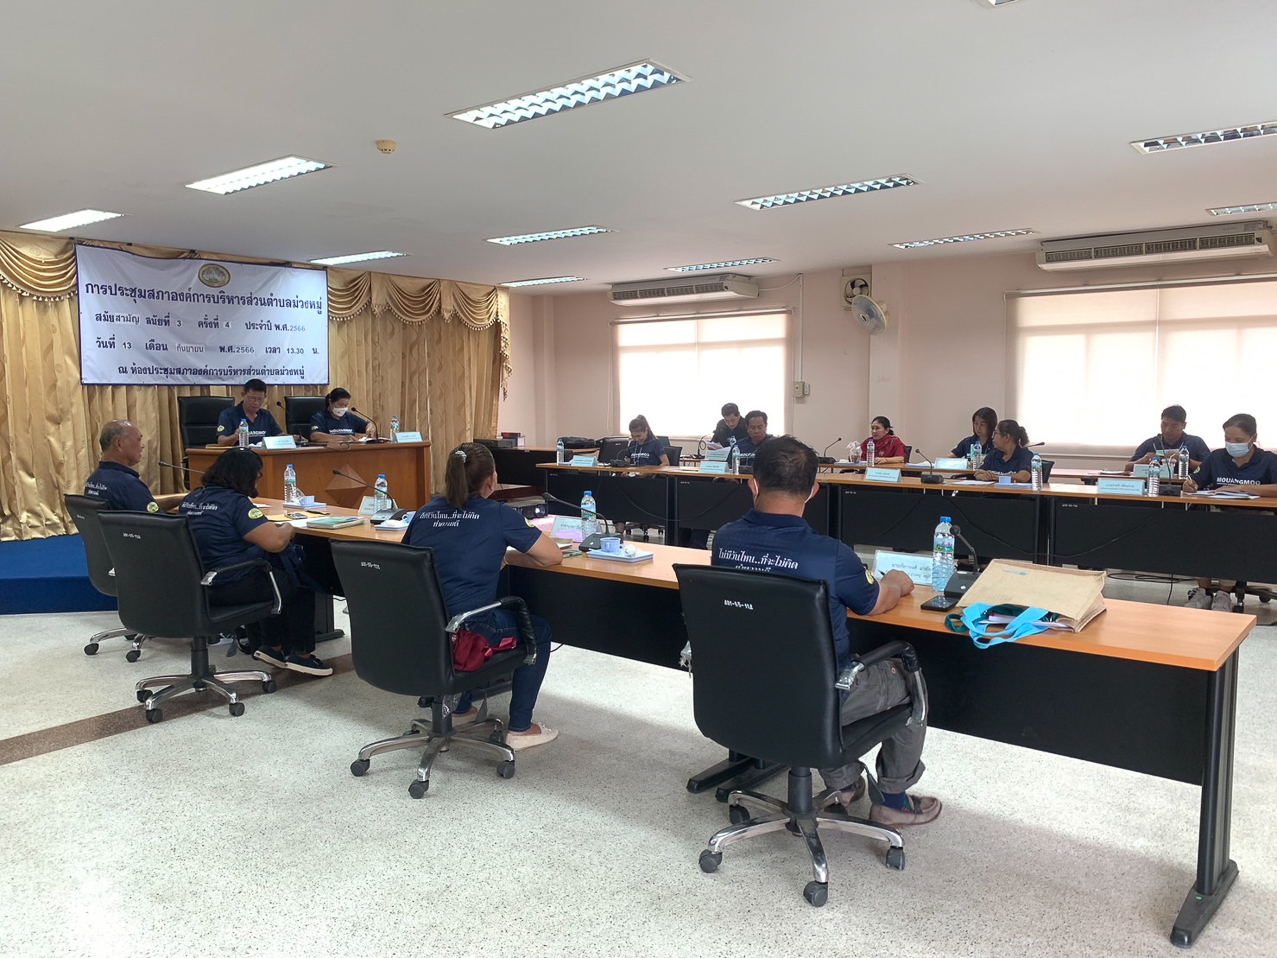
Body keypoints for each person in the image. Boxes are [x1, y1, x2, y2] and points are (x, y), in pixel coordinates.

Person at [711, 435, 940, 826]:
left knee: (809, 680)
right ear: (813, 491)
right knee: (907, 680)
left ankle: (845, 783)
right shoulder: (830, 556)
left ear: (753, 484)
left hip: (743, 687)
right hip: (817, 697)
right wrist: (898, 582)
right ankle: (893, 800)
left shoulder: (724, 540)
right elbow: (875, 602)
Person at [402, 442, 563, 750]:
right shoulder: (498, 514)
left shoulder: (424, 513)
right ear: (492, 480)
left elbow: (411, 559)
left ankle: (460, 708)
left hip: (423, 627)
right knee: (539, 630)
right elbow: (552, 556)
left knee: (458, 611)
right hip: (467, 630)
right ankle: (521, 727)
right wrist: (507, 556)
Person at [179, 448, 331, 676]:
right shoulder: (236, 503)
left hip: (198, 586)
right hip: (228, 585)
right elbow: (275, 542)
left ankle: (272, 647)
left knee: (272, 573)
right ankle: (302, 656)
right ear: (246, 476)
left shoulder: (191, 499)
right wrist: (288, 527)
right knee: (299, 584)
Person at [1181, 414, 1277, 611]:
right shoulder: (1217, 458)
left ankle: (1224, 594)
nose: (1232, 444)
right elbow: (1194, 480)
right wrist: (1190, 485)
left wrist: (1242, 488)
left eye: (1238, 440)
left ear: (1253, 438)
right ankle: (1204, 592)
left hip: (1258, 518)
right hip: (1220, 513)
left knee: (1231, 535)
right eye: (1228, 439)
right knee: (1196, 531)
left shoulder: (1268, 460)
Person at [84, 420, 184, 513]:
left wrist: (178, 499)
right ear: (119, 444)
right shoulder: (128, 485)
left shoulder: (93, 479)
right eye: (139, 440)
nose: (142, 445)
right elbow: (159, 520)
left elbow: (143, 505)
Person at [1124, 404, 1211, 473]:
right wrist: (1142, 461)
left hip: (1186, 486)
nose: (1167, 430)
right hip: (1154, 485)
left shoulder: (1196, 442)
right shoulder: (1150, 443)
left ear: (1184, 425)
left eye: (1174, 426)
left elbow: (1210, 468)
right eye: (1164, 424)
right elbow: (1127, 468)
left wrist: (1185, 460)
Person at [216, 378, 282, 445]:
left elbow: (279, 435)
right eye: (252, 398)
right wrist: (235, 437)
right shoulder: (228, 414)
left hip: (263, 451)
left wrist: (288, 438)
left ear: (265, 397)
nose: (256, 403)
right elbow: (221, 442)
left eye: (260, 399)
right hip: (239, 451)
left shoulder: (266, 415)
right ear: (243, 395)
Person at [309, 387, 377, 443]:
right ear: (330, 402)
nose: (343, 408)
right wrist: (343, 438)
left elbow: (368, 424)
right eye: (340, 405)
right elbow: (314, 436)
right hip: (330, 452)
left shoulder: (349, 417)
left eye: (346, 405)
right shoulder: (319, 417)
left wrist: (370, 429)